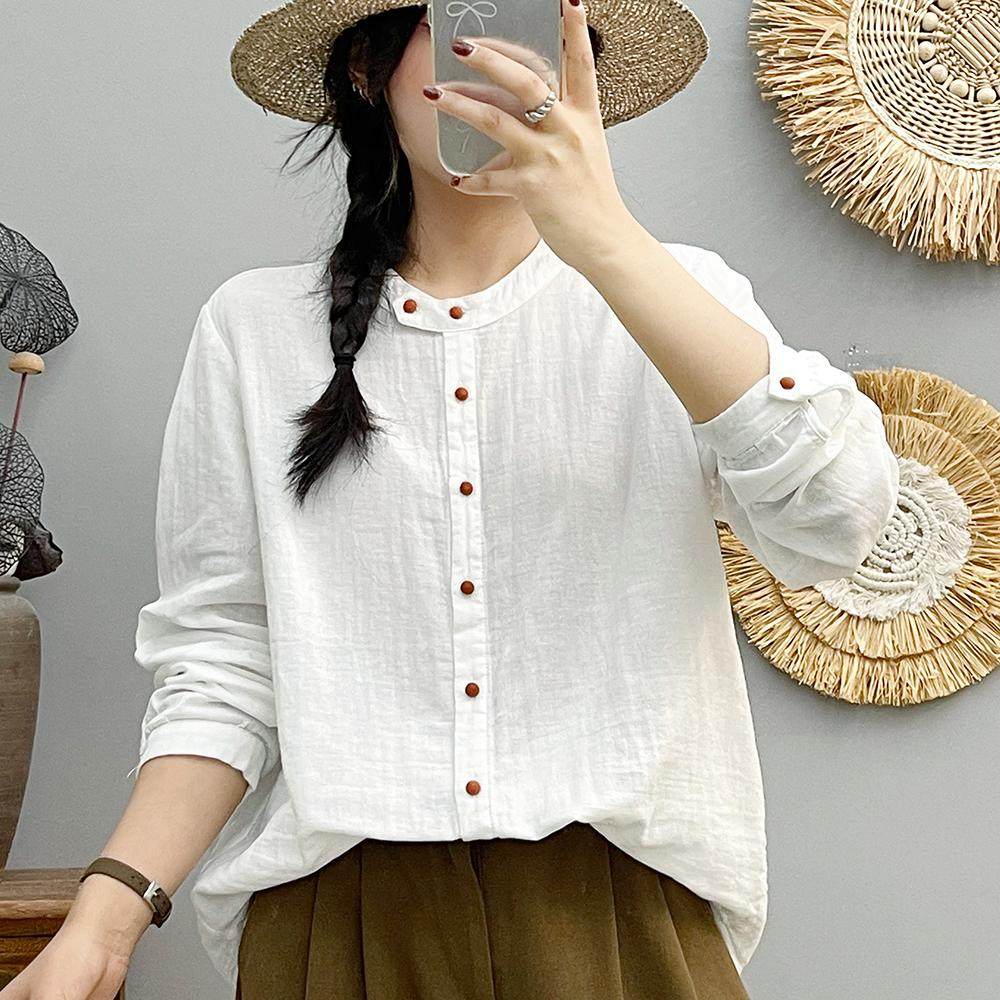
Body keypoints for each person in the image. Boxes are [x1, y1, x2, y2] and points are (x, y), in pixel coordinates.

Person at [3, 1, 901, 998]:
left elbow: (840, 519)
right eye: (465, 16)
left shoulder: (680, 297)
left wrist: (604, 234)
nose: (501, 57)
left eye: (537, 19)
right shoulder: (253, 330)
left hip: (621, 924)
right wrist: (105, 918)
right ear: (366, 67)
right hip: (339, 926)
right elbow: (224, 662)